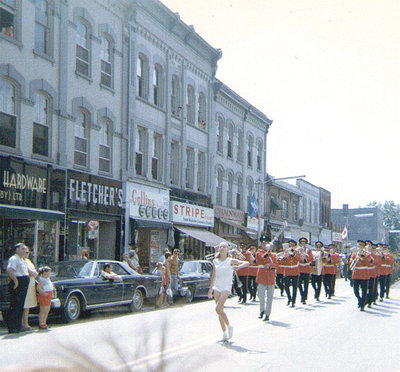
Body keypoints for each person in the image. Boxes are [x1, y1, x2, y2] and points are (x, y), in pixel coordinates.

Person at [208, 242, 250, 342]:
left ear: (227, 249)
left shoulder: (230, 260)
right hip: (217, 286)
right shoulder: (215, 261)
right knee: (219, 311)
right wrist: (210, 289)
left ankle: (229, 326)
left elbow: (247, 263)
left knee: (218, 308)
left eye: (224, 247)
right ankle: (224, 334)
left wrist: (238, 267)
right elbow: (214, 275)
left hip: (226, 286)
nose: (222, 248)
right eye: (221, 247)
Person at [6, 243, 30, 334]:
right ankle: (12, 327)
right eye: (22, 249)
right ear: (17, 250)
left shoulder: (22, 259)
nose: (25, 250)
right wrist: (15, 281)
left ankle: (17, 326)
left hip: (24, 282)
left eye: (25, 249)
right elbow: (9, 269)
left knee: (20, 305)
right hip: (18, 282)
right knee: (15, 305)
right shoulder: (14, 258)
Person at [256, 242, 277, 321]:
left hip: (270, 277)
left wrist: (271, 266)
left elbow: (276, 264)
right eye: (264, 244)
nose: (267, 246)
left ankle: (267, 314)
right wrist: (267, 254)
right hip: (262, 277)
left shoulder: (274, 255)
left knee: (270, 298)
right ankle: (262, 310)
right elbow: (261, 258)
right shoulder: (259, 253)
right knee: (261, 296)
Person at [349, 241, 372, 311]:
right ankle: (360, 300)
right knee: (355, 290)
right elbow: (351, 263)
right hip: (356, 274)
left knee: (364, 290)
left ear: (364, 246)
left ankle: (362, 304)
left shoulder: (367, 254)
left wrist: (363, 257)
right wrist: (356, 257)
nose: (360, 246)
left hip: (364, 274)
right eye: (359, 245)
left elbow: (368, 263)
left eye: (361, 245)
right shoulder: (354, 254)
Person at [280, 240, 301, 307]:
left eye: (293, 245)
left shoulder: (297, 251)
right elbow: (283, 260)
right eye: (290, 245)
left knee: (295, 287)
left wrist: (294, 254)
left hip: (295, 271)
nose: (291, 246)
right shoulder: (286, 252)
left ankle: (293, 301)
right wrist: (284, 257)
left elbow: (299, 259)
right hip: (287, 271)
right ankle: (289, 298)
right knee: (286, 286)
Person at [22, 248, 38, 331]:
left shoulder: (28, 261)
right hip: (26, 284)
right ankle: (24, 323)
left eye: (28, 252)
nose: (27, 254)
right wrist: (34, 273)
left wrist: (35, 273)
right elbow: (28, 272)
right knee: (25, 305)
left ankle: (25, 323)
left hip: (31, 284)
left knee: (28, 305)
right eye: (25, 252)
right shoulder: (22, 261)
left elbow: (34, 270)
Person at [297, 237, 313, 304]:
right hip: (299, 269)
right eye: (301, 242)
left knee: (306, 284)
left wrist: (306, 260)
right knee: (299, 284)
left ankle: (304, 297)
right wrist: (301, 260)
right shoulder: (297, 250)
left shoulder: (308, 250)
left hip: (306, 269)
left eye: (304, 242)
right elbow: (296, 257)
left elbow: (311, 257)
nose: (303, 244)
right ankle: (302, 295)